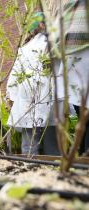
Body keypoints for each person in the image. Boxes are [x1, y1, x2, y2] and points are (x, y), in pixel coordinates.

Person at [7, 12, 60, 155]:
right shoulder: (54, 44)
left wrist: (11, 99)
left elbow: (13, 80)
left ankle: (29, 172)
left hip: (28, 102)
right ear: (43, 25)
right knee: (53, 146)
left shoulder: (24, 49)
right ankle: (54, 174)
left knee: (29, 147)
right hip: (50, 100)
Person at [53, 0, 89, 155]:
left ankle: (81, 161)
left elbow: (55, 37)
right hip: (83, 60)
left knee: (84, 120)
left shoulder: (68, 6)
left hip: (71, 65)